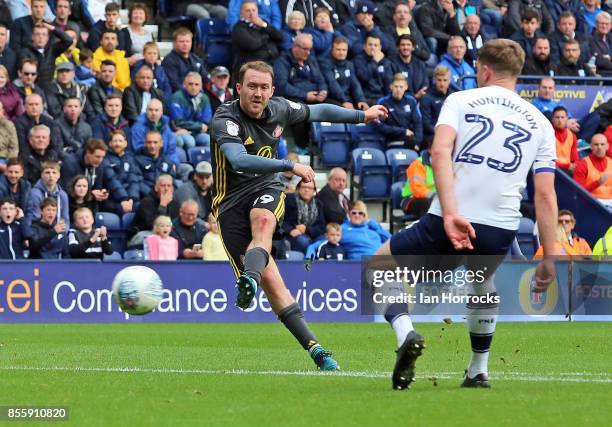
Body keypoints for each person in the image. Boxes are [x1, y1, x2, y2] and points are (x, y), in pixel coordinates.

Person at [372, 39, 557, 391]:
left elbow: (440, 152)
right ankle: (478, 370)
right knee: (481, 282)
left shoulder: (460, 100)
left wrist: (451, 213)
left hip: (453, 216)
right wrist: (549, 255)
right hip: (502, 227)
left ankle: (405, 333)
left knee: (380, 265)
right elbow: (546, 193)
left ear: (485, 70)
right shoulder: (541, 122)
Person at [210, 60, 388, 370]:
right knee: (273, 282)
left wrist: (362, 116)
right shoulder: (225, 119)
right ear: (238, 88)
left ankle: (248, 279)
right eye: (251, 86)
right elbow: (238, 160)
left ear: (272, 90)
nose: (258, 92)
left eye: (264, 87)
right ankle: (316, 350)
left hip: (266, 187)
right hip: (229, 205)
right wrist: (289, 165)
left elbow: (320, 111)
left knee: (263, 223)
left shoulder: (280, 108)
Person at [61, 139, 133, 215]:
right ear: (88, 153)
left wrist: (124, 199)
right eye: (97, 156)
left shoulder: (99, 165)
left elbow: (110, 181)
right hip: (73, 205)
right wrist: (89, 194)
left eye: (102, 157)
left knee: (120, 208)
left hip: (92, 203)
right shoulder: (70, 163)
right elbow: (66, 190)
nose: (100, 160)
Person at [231, 0, 283, 78]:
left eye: (253, 10)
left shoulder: (262, 23)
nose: (251, 13)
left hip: (272, 63)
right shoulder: (238, 27)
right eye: (248, 11)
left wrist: (264, 25)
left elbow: (279, 37)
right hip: (252, 67)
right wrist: (267, 36)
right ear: (241, 13)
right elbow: (252, 44)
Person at [374, 73, 423, 150]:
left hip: (410, 141)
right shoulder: (383, 102)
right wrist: (402, 131)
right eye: (396, 86)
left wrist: (417, 143)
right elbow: (380, 125)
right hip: (391, 141)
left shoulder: (411, 101)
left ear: (406, 87)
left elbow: (418, 123)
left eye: (401, 87)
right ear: (391, 87)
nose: (398, 90)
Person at [319, 36, 368, 110]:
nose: (341, 53)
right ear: (332, 49)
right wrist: (344, 101)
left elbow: (355, 84)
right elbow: (332, 84)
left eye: (344, 50)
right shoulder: (325, 64)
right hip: (333, 99)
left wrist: (361, 99)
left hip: (347, 99)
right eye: (338, 49)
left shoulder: (349, 64)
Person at [18, 22, 73, 89]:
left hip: (49, 88)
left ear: (47, 38)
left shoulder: (52, 49)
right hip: (32, 88)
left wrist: (52, 28)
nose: (40, 37)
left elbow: (68, 40)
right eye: (37, 34)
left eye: (44, 34)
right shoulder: (25, 52)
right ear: (32, 37)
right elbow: (29, 72)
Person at [24, 159, 70, 235]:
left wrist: (62, 233)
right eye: (47, 172)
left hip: (58, 234)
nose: (51, 175)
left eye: (54, 172)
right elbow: (33, 217)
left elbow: (65, 218)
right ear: (42, 175)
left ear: (59, 175)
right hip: (40, 234)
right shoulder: (35, 193)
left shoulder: (63, 195)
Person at [281, 179, 326, 253]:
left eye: (310, 188)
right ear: (298, 188)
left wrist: (307, 229)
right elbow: (280, 219)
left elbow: (321, 226)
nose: (307, 190)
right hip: (292, 234)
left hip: (311, 234)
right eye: (304, 187)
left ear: (314, 191)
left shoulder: (318, 204)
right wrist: (290, 230)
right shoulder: (289, 199)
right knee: (303, 241)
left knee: (324, 240)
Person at [169, 72, 212, 150]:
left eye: (196, 84)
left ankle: (205, 161)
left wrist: (198, 127)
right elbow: (178, 122)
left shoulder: (204, 98)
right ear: (184, 84)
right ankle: (189, 161)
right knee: (190, 141)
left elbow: (206, 122)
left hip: (197, 132)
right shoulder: (176, 97)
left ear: (201, 86)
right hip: (181, 131)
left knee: (208, 140)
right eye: (190, 84)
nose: (193, 87)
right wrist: (199, 126)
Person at [130, 174, 179, 241]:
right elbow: (152, 225)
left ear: (172, 189)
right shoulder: (147, 202)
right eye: (163, 185)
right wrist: (163, 206)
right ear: (156, 188)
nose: (166, 189)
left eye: (169, 186)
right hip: (144, 235)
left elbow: (176, 225)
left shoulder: (175, 204)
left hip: (165, 235)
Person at [161, 28, 208, 94]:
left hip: (199, 95)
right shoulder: (169, 61)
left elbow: (205, 79)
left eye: (187, 41)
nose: (185, 44)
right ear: (174, 43)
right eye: (181, 41)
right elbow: (174, 84)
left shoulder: (196, 59)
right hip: (179, 97)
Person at [574, 133, 612, 210]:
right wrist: (597, 183)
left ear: (607, 146)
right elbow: (577, 191)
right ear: (591, 146)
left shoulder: (611, 162)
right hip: (592, 202)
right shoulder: (583, 164)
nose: (599, 147)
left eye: (602, 144)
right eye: (596, 144)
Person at [353, 35, 394, 106]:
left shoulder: (386, 62)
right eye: (370, 45)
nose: (373, 47)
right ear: (364, 46)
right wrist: (374, 61)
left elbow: (388, 83)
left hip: (382, 98)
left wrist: (389, 100)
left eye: (375, 45)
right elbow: (364, 77)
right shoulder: (358, 60)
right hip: (365, 98)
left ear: (380, 48)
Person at [104, 129, 141, 204]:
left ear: (125, 143)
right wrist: (123, 198)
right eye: (115, 141)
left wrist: (132, 198)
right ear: (110, 143)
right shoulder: (105, 158)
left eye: (120, 141)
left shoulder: (130, 159)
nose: (117, 144)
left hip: (129, 199)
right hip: (112, 198)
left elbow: (134, 180)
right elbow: (111, 180)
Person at [420, 66, 453, 149]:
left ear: (450, 80)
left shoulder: (453, 97)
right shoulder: (426, 97)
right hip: (432, 136)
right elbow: (426, 123)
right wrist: (442, 134)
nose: (442, 84)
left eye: (445, 80)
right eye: (439, 80)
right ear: (434, 80)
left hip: (450, 134)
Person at [390, 35, 428, 101]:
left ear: (413, 47)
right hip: (400, 101)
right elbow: (391, 87)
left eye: (408, 45)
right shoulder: (391, 64)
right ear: (398, 47)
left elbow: (426, 84)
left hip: (420, 101)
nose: (405, 47)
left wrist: (421, 93)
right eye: (403, 45)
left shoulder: (420, 64)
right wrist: (414, 96)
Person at [401, 149, 436, 218]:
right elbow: (417, 189)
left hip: (436, 199)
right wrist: (437, 197)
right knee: (428, 204)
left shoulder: (448, 164)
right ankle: (427, 228)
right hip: (412, 199)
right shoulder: (418, 164)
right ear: (430, 149)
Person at [551, 106, 579, 175]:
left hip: (568, 169)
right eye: (557, 117)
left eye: (562, 117)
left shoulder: (572, 136)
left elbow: (575, 159)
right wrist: (566, 166)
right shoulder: (548, 135)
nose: (560, 120)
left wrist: (575, 166)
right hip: (553, 169)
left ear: (567, 119)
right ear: (552, 119)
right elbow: (547, 160)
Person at [590, 12, 612, 77]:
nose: (604, 26)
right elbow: (599, 61)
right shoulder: (590, 40)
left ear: (611, 26)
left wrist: (609, 57)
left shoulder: (611, 37)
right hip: (602, 74)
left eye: (607, 24)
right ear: (596, 24)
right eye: (602, 23)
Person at [0, 100, 19, 171]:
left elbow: (14, 148)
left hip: (6, 160)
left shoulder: (9, 125)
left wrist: (11, 164)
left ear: (2, 111)